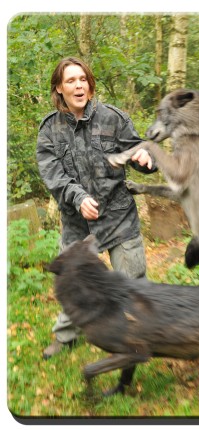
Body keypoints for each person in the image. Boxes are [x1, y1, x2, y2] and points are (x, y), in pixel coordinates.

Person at [36, 57, 155, 359]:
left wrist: (144, 159)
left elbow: (137, 151)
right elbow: (53, 175)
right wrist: (77, 198)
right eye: (71, 81)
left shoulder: (114, 117)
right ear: (59, 89)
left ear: (90, 84)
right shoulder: (49, 130)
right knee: (74, 287)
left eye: (83, 79)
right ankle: (65, 337)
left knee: (133, 283)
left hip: (118, 219)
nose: (79, 85)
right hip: (77, 225)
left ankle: (146, 336)